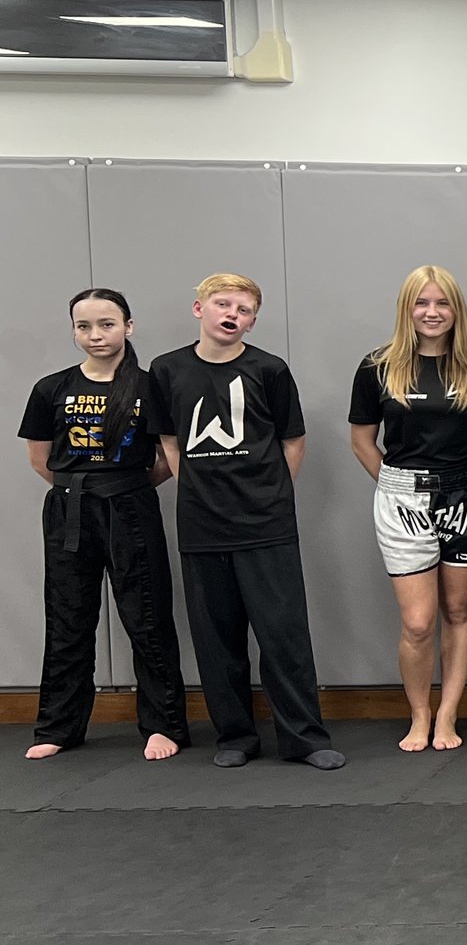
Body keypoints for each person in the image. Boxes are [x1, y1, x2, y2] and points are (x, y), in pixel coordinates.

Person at [149, 273, 343, 770]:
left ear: (253, 321)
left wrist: (273, 496)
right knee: (217, 639)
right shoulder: (166, 370)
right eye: (222, 303)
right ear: (200, 309)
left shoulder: (269, 370)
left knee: (284, 635)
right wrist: (197, 489)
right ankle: (235, 736)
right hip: (201, 525)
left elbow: (292, 440)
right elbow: (169, 442)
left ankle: (304, 738)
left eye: (244, 309)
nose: (231, 314)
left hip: (266, 524)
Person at [348, 266, 467, 753]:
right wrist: (400, 489)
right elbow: (361, 442)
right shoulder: (377, 366)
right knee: (418, 622)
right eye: (423, 303)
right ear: (407, 309)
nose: (432, 313)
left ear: (456, 309)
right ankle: (418, 715)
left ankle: (447, 716)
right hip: (402, 497)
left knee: (458, 610)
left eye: (442, 304)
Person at [20, 288, 186, 761]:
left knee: (147, 615)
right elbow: (39, 457)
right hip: (69, 510)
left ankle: (163, 724)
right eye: (84, 326)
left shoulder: (149, 386)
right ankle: (59, 726)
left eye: (107, 324)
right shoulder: (51, 388)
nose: (95, 335)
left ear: (128, 327)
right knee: (68, 616)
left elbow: (165, 458)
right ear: (73, 330)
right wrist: (83, 489)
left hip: (130, 506)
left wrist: (124, 487)